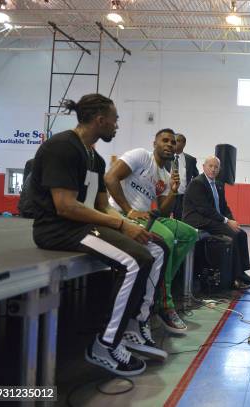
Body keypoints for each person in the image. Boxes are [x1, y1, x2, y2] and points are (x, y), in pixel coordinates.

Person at [29, 94, 168, 376]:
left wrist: (129, 223)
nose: (117, 125)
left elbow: (102, 205)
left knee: (155, 248)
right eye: (115, 120)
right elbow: (65, 206)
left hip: (80, 226)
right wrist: (119, 226)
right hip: (57, 229)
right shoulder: (62, 147)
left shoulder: (95, 157)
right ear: (100, 119)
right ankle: (105, 344)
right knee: (136, 260)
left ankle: (131, 326)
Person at [104, 129, 199, 335]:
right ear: (154, 143)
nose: (169, 145)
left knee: (190, 233)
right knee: (167, 237)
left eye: (172, 143)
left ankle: (157, 288)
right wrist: (129, 210)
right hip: (123, 214)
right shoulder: (140, 156)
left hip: (147, 216)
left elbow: (163, 210)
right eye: (164, 140)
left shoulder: (165, 174)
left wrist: (173, 190)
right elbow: (110, 177)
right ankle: (165, 304)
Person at [183, 156, 250, 288]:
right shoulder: (197, 183)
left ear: (219, 169)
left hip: (213, 219)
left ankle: (242, 272)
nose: (213, 169)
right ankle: (235, 279)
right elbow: (205, 209)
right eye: (210, 166)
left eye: (216, 167)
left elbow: (224, 206)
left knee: (241, 233)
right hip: (198, 220)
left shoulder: (218, 184)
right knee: (233, 235)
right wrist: (226, 221)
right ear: (204, 167)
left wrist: (232, 219)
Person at [166, 133, 199, 220]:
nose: (174, 143)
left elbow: (197, 177)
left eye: (177, 141)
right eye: (173, 141)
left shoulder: (191, 160)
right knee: (165, 218)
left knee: (181, 220)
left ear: (184, 144)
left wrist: (191, 190)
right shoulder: (165, 157)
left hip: (182, 197)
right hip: (167, 195)